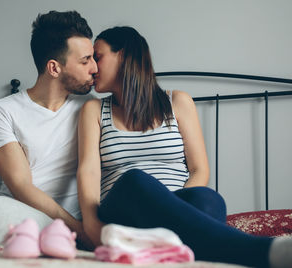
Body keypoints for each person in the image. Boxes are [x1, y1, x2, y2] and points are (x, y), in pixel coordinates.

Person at [76, 26, 292, 268]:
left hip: (179, 205)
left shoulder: (178, 102)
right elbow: (89, 172)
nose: (93, 67)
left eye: (99, 56)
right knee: (134, 180)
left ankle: (166, 248)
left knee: (209, 200)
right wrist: (91, 223)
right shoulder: (94, 110)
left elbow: (199, 169)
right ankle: (261, 251)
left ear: (124, 55)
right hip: (125, 210)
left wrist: (171, 206)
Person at [0, 10, 97, 247]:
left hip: (71, 221)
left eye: (93, 58)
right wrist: (81, 232)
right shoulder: (2, 110)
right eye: (85, 60)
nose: (94, 68)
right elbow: (21, 186)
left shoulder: (91, 108)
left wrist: (86, 228)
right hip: (17, 212)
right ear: (54, 68)